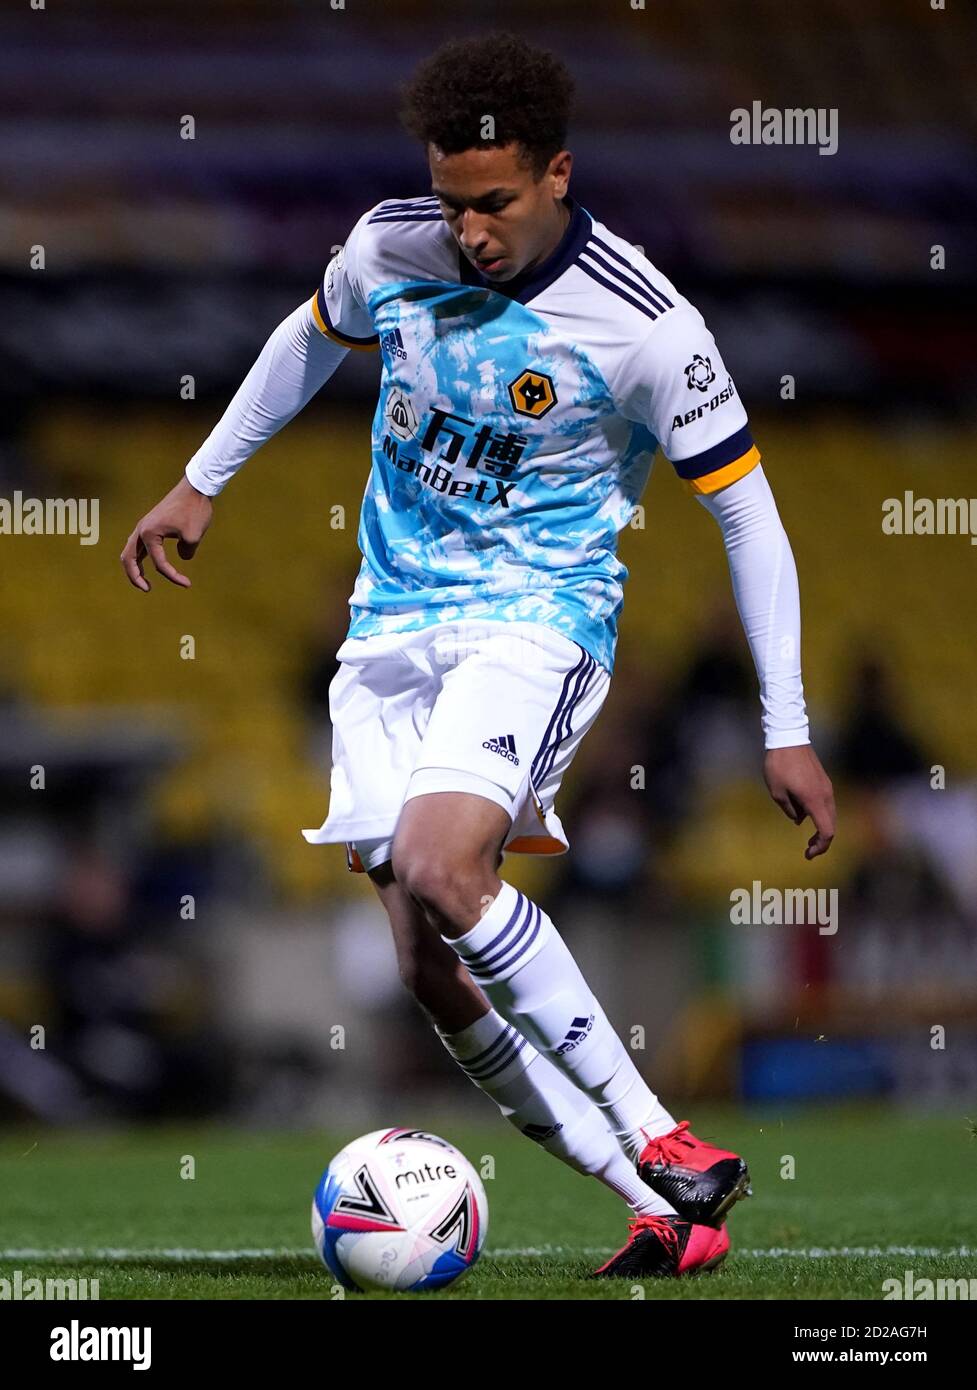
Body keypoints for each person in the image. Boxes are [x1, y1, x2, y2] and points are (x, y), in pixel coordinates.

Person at [121, 32, 835, 1278]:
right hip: (390, 625)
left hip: (534, 617)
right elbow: (307, 336)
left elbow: (747, 515)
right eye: (452, 204)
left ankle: (660, 1133)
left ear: (556, 173)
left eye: (493, 204)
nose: (467, 232)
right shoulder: (390, 242)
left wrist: (785, 722)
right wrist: (200, 481)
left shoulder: (645, 325)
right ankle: (660, 1203)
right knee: (420, 956)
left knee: (445, 871)